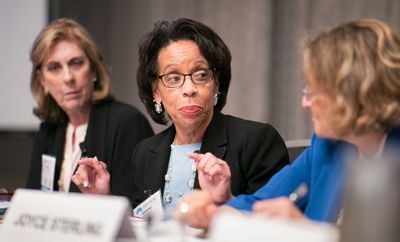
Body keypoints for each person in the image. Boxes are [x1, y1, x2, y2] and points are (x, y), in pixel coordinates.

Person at [175, 18, 400, 228]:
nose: (304, 102)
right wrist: (212, 211)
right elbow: (259, 203)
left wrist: (306, 232)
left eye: (313, 92)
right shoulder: (326, 146)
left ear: (352, 95)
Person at [72, 18, 289, 217]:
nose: (189, 89)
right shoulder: (146, 152)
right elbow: (142, 228)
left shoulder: (257, 141)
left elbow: (272, 226)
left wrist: (224, 203)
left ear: (217, 84)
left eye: (201, 75)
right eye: (173, 78)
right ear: (156, 91)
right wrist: (105, 200)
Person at [26, 18, 154, 197]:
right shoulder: (48, 131)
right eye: (54, 67)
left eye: (76, 63)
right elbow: (33, 202)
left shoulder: (127, 123)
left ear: (94, 69)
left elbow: (139, 210)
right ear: (42, 81)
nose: (68, 77)